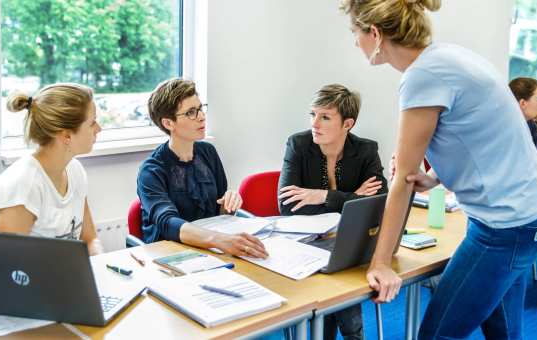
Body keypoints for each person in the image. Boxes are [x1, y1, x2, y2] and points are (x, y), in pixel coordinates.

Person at [340, 0, 537, 338]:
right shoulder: (448, 57)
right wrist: (436, 176)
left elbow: (401, 180)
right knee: (503, 330)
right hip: (533, 211)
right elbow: (479, 135)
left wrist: (381, 262)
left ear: (375, 33)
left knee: (438, 334)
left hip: (506, 225)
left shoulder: (421, 77)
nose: (355, 43)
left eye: (355, 33)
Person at [278, 83, 388, 340]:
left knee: (341, 271)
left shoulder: (365, 150)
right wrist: (353, 198)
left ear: (347, 124)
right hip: (305, 243)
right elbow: (287, 206)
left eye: (325, 117)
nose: (314, 123)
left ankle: (347, 334)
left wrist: (323, 196)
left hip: (348, 240)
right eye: (312, 114)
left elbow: (378, 202)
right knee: (337, 281)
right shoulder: (298, 145)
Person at [137, 78, 267, 259]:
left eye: (200, 108)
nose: (201, 116)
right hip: (171, 255)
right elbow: (167, 223)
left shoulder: (208, 152)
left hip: (211, 250)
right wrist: (219, 240)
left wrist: (229, 201)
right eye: (191, 112)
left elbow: (220, 213)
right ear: (168, 123)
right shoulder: (151, 171)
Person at [0, 83, 103, 255]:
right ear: (66, 135)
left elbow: (90, 239)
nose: (99, 129)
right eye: (92, 122)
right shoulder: (23, 185)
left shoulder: (75, 170)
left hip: (59, 276)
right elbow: (8, 269)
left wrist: (98, 267)